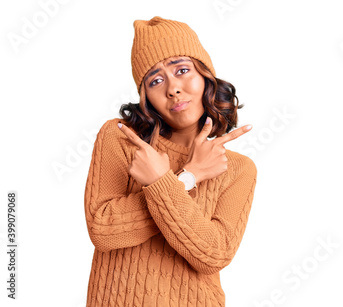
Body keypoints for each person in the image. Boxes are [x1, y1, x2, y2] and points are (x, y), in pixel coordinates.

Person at [83, 16, 258, 307]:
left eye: (182, 70)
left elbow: (213, 255)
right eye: (156, 80)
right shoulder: (122, 139)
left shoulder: (238, 169)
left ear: (205, 76)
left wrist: (159, 183)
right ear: (146, 96)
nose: (173, 88)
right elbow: (103, 231)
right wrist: (187, 177)